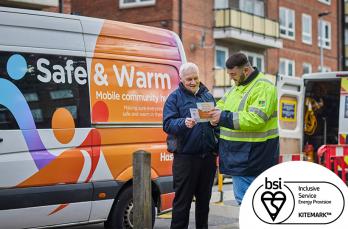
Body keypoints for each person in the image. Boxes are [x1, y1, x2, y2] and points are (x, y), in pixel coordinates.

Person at [210, 52, 279, 205]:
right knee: (249, 202)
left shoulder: (264, 87)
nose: (231, 78)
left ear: (246, 70)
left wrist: (222, 117)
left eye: (233, 74)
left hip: (254, 156)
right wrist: (212, 114)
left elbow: (257, 119)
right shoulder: (236, 88)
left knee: (248, 202)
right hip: (240, 157)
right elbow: (221, 106)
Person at [163, 62, 218, 229]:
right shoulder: (174, 98)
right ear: (181, 79)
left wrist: (216, 123)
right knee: (182, 204)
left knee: (204, 204)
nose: (193, 82)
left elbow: (216, 126)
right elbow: (167, 124)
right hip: (185, 158)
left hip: (207, 158)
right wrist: (183, 123)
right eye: (189, 79)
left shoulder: (208, 96)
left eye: (196, 78)